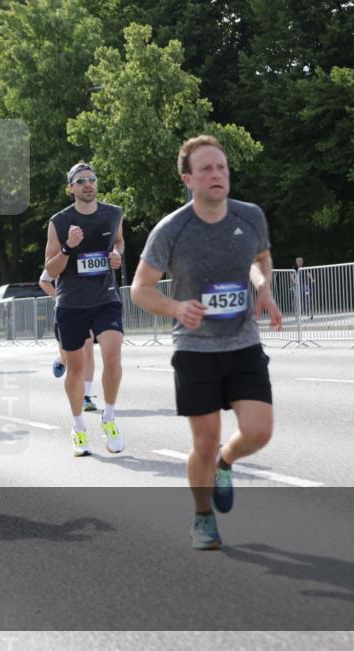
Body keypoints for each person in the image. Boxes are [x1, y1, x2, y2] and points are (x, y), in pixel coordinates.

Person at [131, 135, 283, 550]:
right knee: (203, 439)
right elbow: (140, 289)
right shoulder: (172, 230)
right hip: (195, 350)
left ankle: (226, 462)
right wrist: (177, 307)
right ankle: (202, 517)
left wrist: (264, 289)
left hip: (242, 343)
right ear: (189, 179)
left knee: (259, 431)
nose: (217, 175)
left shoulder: (250, 216)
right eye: (207, 169)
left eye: (222, 168)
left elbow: (261, 258)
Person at [44, 162, 127, 456]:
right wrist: (68, 246)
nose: (88, 184)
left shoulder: (113, 213)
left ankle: (109, 418)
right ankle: (79, 426)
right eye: (80, 181)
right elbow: (50, 268)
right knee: (76, 369)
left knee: (113, 359)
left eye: (91, 179)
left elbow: (118, 241)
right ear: (71, 188)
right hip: (72, 304)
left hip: (106, 298)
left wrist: (116, 254)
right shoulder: (59, 221)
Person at [38, 270, 95, 393]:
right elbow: (43, 281)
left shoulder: (90, 254)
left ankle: (86, 396)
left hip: (88, 310)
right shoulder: (62, 256)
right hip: (65, 312)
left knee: (88, 351)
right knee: (70, 358)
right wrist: (58, 297)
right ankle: (62, 360)